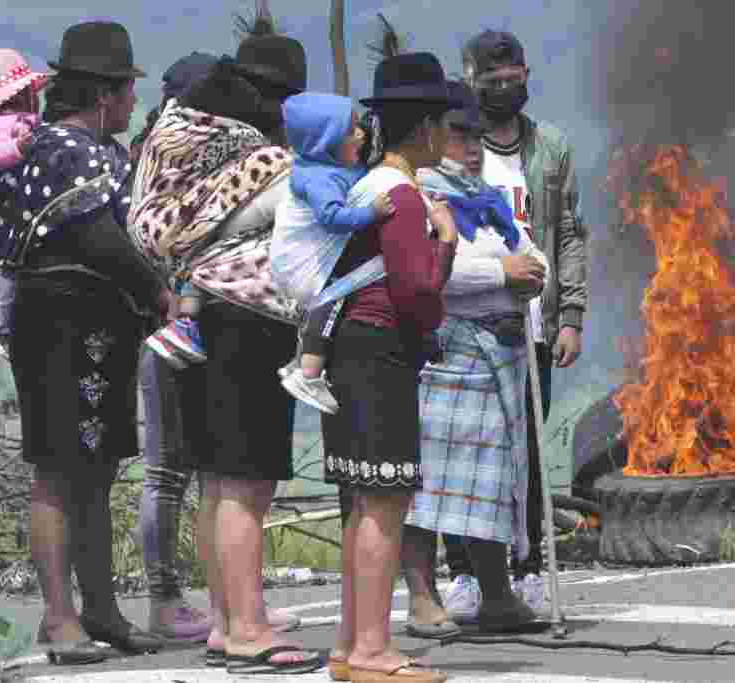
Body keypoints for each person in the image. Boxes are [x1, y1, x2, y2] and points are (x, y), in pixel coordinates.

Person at [0, 21, 169, 663]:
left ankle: (102, 611)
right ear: (105, 95)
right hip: (65, 320)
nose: (130, 106)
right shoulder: (68, 150)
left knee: (95, 470)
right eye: (126, 91)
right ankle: (61, 619)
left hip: (87, 323)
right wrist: (158, 290)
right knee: (60, 471)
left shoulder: (46, 145)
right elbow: (99, 239)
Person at [156, 17, 320, 674]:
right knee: (248, 481)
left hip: (199, 319)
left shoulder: (193, 147)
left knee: (217, 479)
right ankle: (250, 628)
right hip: (250, 322)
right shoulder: (266, 162)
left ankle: (228, 615)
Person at [321, 52, 457, 683]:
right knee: (384, 501)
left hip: (347, 350)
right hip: (381, 352)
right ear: (426, 128)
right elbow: (416, 293)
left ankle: (352, 646)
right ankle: (374, 650)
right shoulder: (401, 197)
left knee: (362, 501)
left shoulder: (365, 186)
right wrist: (447, 248)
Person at [443, 29, 588, 618]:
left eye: (515, 77)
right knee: (465, 451)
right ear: (473, 80)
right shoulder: (454, 147)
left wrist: (571, 315)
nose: (507, 88)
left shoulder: (549, 148)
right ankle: (467, 573)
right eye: (493, 81)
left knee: (524, 454)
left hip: (531, 328)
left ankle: (527, 568)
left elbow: (571, 234)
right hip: (464, 328)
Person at [401, 80, 549, 637]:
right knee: (428, 487)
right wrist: (500, 274)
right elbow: (427, 271)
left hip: (500, 355)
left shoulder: (484, 200)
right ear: (434, 134)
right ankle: (422, 599)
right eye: (458, 133)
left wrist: (533, 272)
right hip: (447, 355)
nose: (470, 145)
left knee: (490, 483)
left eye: (475, 135)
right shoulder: (419, 196)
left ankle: (496, 596)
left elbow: (527, 251)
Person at [133, 52, 217, 643]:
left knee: (204, 470)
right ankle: (166, 600)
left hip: (186, 325)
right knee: (169, 472)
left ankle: (225, 600)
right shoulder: (168, 158)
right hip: (171, 329)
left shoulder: (151, 152)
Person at [271, 92, 394, 413]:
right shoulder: (319, 179)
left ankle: (298, 364)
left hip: (303, 265)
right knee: (335, 295)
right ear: (326, 142)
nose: (362, 134)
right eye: (352, 131)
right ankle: (310, 374)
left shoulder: (328, 166)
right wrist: (373, 212)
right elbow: (332, 218)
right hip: (303, 267)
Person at [0, 48, 48, 361]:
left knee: (20, 267)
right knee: (19, 264)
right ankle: (4, 324)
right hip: (6, 210)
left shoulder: (16, 120)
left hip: (15, 207)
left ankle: (11, 323)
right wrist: (17, 147)